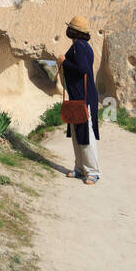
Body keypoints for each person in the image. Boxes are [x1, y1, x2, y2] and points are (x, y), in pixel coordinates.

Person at [56, 15, 100, 185]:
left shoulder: (79, 47)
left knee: (86, 134)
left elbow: (81, 69)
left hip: (84, 97)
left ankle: (93, 172)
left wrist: (64, 62)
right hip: (79, 96)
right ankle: (80, 168)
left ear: (73, 31)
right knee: (77, 134)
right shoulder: (82, 46)